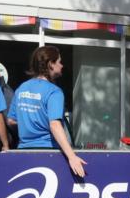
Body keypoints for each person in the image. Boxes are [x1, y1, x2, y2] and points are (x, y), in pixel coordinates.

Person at [8, 46, 86, 177]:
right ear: (51, 64)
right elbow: (55, 125)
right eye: (59, 62)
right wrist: (72, 156)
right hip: (48, 152)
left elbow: (11, 120)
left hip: (23, 151)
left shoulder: (22, 88)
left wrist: (30, 122)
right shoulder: (54, 91)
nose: (62, 66)